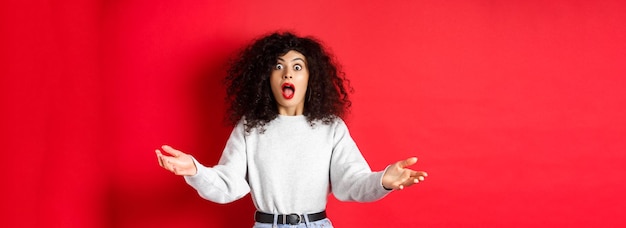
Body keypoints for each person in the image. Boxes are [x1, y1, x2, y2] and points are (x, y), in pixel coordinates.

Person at [155, 32, 428, 228]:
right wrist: (195, 170)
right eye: (278, 66)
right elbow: (230, 185)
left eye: (297, 67)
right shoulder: (250, 128)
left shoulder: (330, 128)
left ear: (310, 78)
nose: (288, 74)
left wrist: (382, 181)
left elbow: (350, 183)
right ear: (267, 78)